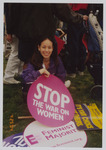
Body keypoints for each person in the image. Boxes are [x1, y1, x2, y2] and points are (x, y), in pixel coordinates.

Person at [66, 4, 88, 78]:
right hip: (84, 14)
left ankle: (72, 70)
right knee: (81, 43)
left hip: (75, 14)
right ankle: (80, 68)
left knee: (73, 44)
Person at [3, 3, 24, 84]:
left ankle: (18, 73)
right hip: (14, 30)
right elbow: (9, 15)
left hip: (15, 29)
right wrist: (9, 32)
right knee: (16, 52)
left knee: (19, 51)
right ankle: (8, 77)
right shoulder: (11, 3)